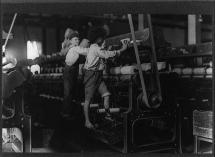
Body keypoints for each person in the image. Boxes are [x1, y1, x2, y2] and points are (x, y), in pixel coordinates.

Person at [83, 27, 128, 129]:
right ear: (98, 38)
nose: (103, 39)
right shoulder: (95, 48)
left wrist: (108, 49)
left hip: (98, 75)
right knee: (88, 100)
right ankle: (87, 121)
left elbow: (104, 54)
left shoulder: (95, 47)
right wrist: (122, 49)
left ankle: (107, 115)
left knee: (106, 95)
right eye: (102, 38)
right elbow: (106, 55)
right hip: (91, 75)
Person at [61, 28, 89, 118]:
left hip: (70, 70)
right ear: (71, 41)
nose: (77, 41)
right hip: (69, 70)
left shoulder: (71, 48)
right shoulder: (75, 48)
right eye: (75, 39)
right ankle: (67, 113)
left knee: (69, 92)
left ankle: (67, 111)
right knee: (68, 92)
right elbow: (85, 51)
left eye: (78, 39)